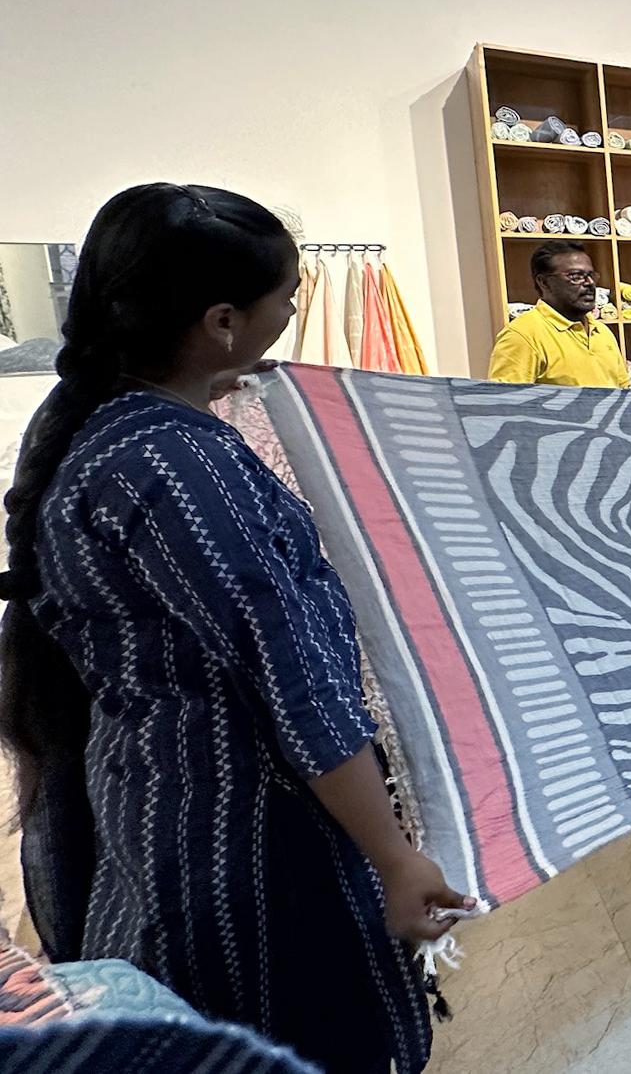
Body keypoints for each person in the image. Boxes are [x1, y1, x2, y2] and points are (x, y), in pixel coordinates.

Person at [0, 184, 468, 1072]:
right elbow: (293, 681)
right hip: (246, 845)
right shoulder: (176, 463)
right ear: (221, 321)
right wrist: (395, 858)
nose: (295, 308)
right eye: (285, 295)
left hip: (163, 815)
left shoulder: (111, 436)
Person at [487, 239, 629, 387]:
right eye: (575, 276)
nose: (590, 283)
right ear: (544, 282)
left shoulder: (602, 332)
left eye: (591, 275)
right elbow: (507, 403)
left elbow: (623, 391)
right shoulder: (522, 335)